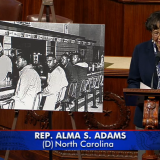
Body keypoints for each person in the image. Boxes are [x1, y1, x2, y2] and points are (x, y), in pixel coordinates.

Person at [127, 11, 160, 159]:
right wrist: (140, 95)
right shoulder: (140, 50)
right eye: (156, 32)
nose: (159, 37)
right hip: (146, 115)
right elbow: (133, 80)